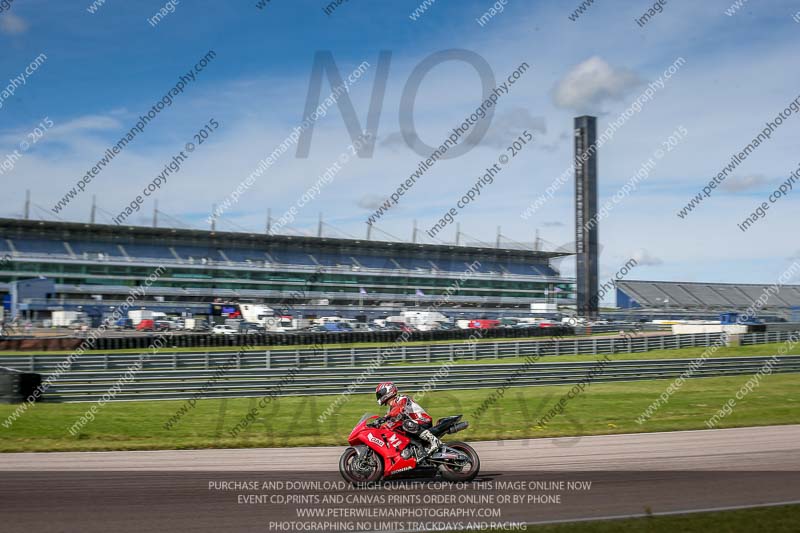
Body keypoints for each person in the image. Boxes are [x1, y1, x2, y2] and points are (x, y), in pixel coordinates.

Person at [374, 381, 442, 457]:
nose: (379, 396)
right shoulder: (391, 409)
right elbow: (389, 423)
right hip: (414, 426)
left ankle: (434, 441)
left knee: (405, 423)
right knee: (393, 430)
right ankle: (415, 450)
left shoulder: (402, 398)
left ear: (388, 390)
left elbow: (399, 408)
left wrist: (385, 418)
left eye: (380, 394)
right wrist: (376, 427)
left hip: (423, 421)